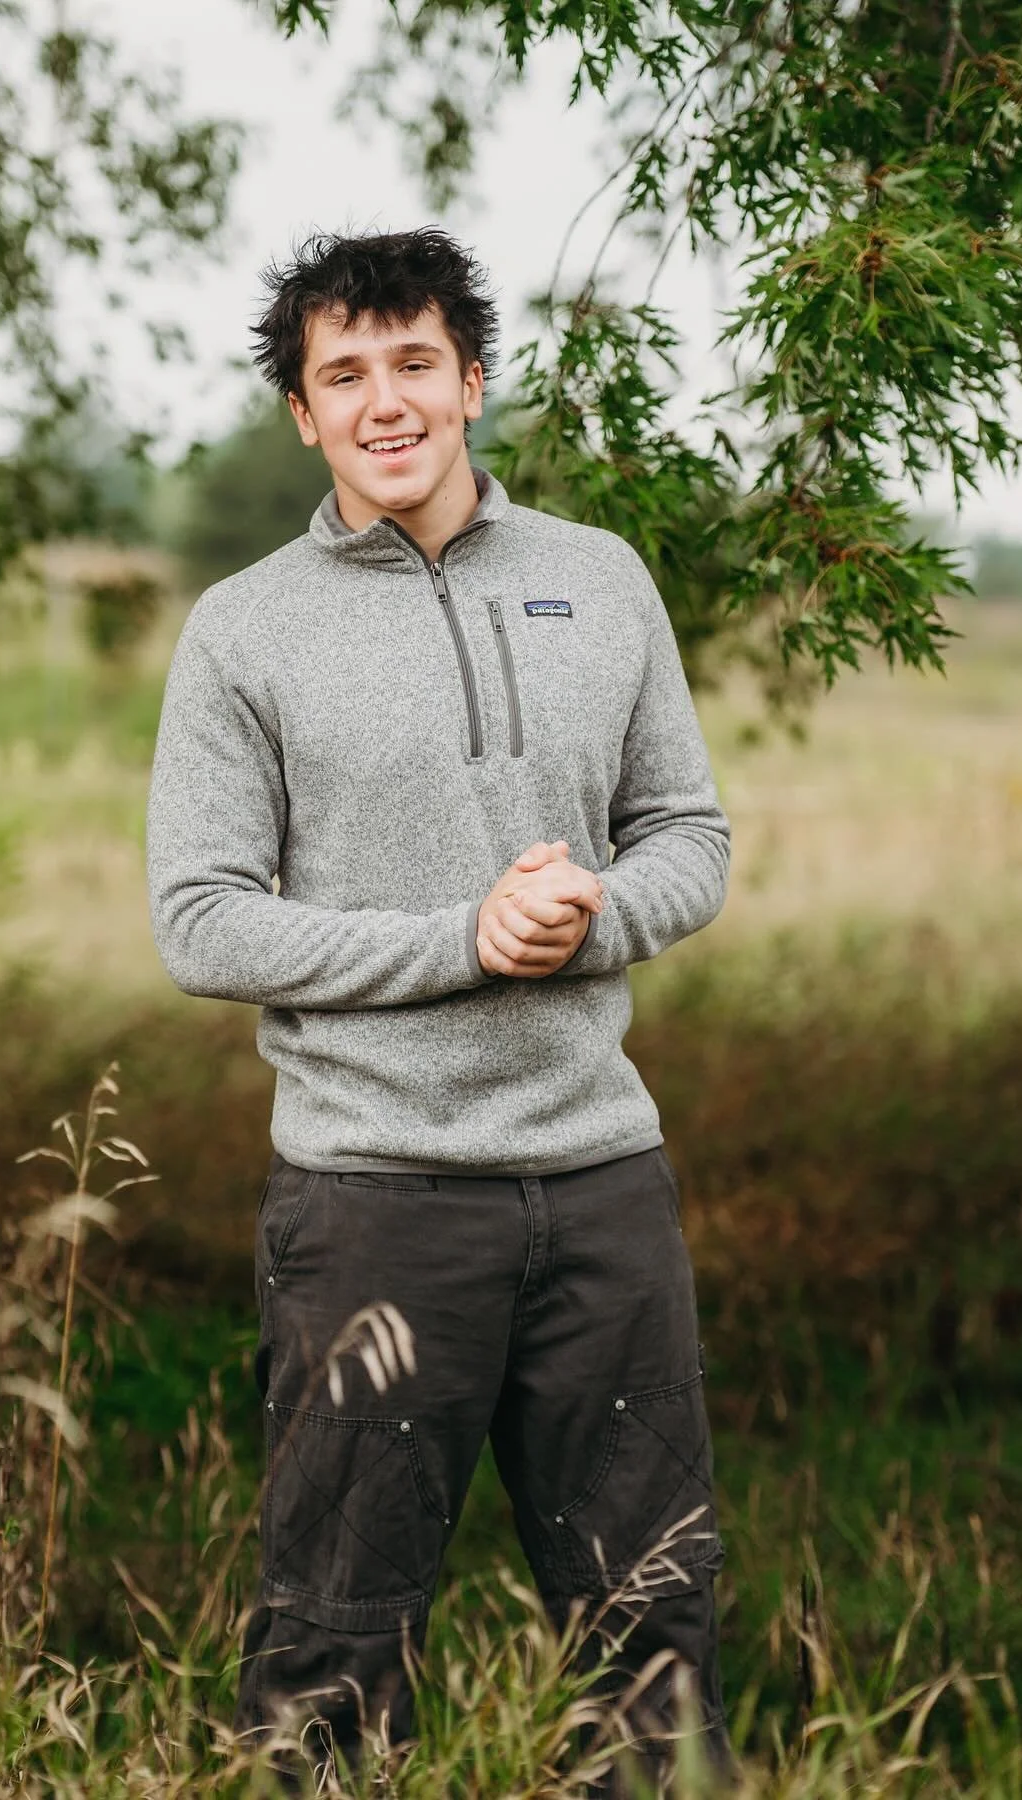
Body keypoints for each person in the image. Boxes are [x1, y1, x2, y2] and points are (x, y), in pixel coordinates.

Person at [146, 227, 734, 1793]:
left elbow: (691, 832)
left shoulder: (599, 581)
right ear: (304, 414)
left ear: (472, 380)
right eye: (345, 374)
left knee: (653, 1626)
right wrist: (462, 939)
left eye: (415, 363)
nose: (384, 400)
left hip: (604, 1184)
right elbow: (199, 920)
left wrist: (600, 910)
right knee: (337, 1643)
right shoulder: (244, 629)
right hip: (373, 1202)